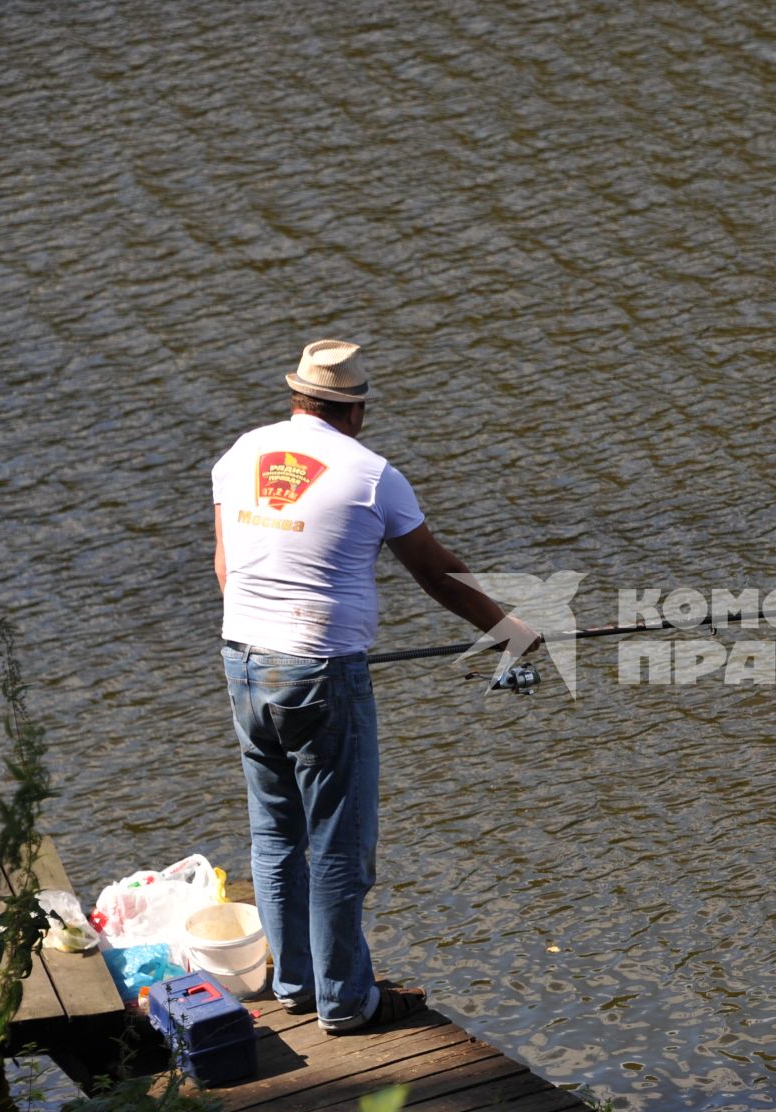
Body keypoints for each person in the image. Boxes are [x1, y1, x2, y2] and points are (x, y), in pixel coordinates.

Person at [212, 339, 539, 1032]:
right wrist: (508, 627)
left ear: (298, 398)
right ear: (355, 410)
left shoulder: (240, 454)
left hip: (242, 659)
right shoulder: (370, 475)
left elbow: (226, 565)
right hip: (321, 675)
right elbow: (435, 571)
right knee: (338, 843)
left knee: (274, 833)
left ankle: (295, 983)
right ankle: (346, 1002)